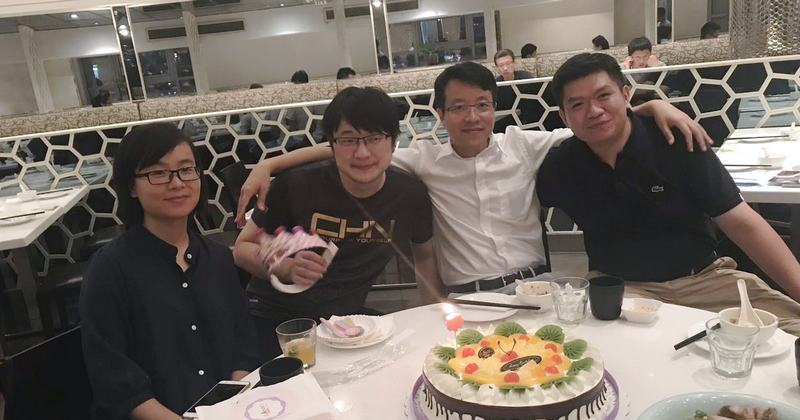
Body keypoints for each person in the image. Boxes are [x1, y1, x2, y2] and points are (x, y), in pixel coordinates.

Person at [235, 62, 710, 296]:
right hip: (471, 300)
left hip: (538, 288)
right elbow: (359, 149)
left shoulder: (523, 145)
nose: (472, 117)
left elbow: (596, 123)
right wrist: (271, 164)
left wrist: (650, 105)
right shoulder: (423, 159)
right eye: (458, 107)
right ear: (440, 114)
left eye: (482, 105)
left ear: (494, 109)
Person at [537, 52, 800, 331]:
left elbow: (742, 224)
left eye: (604, 96)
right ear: (564, 116)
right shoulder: (562, 166)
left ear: (625, 95)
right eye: (578, 104)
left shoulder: (677, 138)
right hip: (622, 290)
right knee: (607, 350)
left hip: (705, 280)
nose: (594, 111)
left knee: (789, 329)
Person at [80, 123, 260, 420]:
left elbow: (243, 346)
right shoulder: (110, 270)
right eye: (158, 173)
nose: (177, 183)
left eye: (186, 169)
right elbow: (116, 382)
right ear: (131, 186)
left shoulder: (218, 259)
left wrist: (233, 409)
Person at [233, 87, 438, 360]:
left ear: (392, 142)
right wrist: (286, 266)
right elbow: (241, 248)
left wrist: (434, 319)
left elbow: (424, 257)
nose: (362, 153)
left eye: (374, 138)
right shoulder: (296, 185)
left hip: (343, 322)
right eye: (348, 140)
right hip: (277, 320)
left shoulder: (409, 194)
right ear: (332, 144)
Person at [493, 49, 534, 133]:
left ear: (514, 63)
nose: (505, 68)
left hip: (530, 119)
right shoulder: (496, 85)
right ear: (497, 68)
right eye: (501, 65)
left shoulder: (526, 77)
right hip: (507, 123)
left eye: (508, 64)